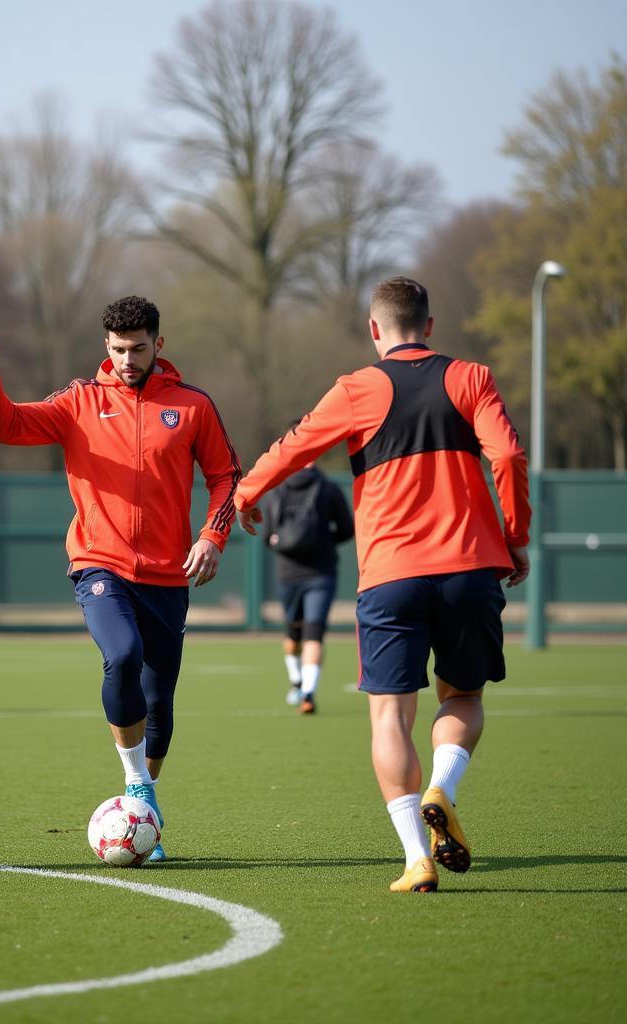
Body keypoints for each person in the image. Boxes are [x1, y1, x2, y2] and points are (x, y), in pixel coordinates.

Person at [235, 277, 530, 892]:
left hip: (391, 576)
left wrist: (244, 494)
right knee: (463, 700)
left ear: (375, 330)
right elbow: (506, 457)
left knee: (389, 719)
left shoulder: (356, 388)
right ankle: (442, 788)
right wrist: (515, 534)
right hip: (470, 568)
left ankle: (415, 858)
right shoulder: (471, 377)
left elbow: (291, 450)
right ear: (430, 324)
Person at [0, 296, 240, 861]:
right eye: (118, 349)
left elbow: (225, 476)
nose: (128, 358)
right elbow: (8, 427)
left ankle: (145, 808)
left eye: (139, 348)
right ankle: (135, 783)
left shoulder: (193, 407)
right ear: (105, 348)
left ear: (159, 345)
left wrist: (212, 536)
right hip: (99, 563)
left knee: (159, 704)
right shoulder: (79, 400)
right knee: (123, 654)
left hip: (168, 575)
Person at [259, 436, 354, 714]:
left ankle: (299, 683)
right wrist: (324, 541)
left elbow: (267, 536)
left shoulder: (276, 489)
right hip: (321, 571)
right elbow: (347, 528)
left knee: (295, 632)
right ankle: (307, 692)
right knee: (314, 632)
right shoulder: (328, 488)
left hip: (288, 572)